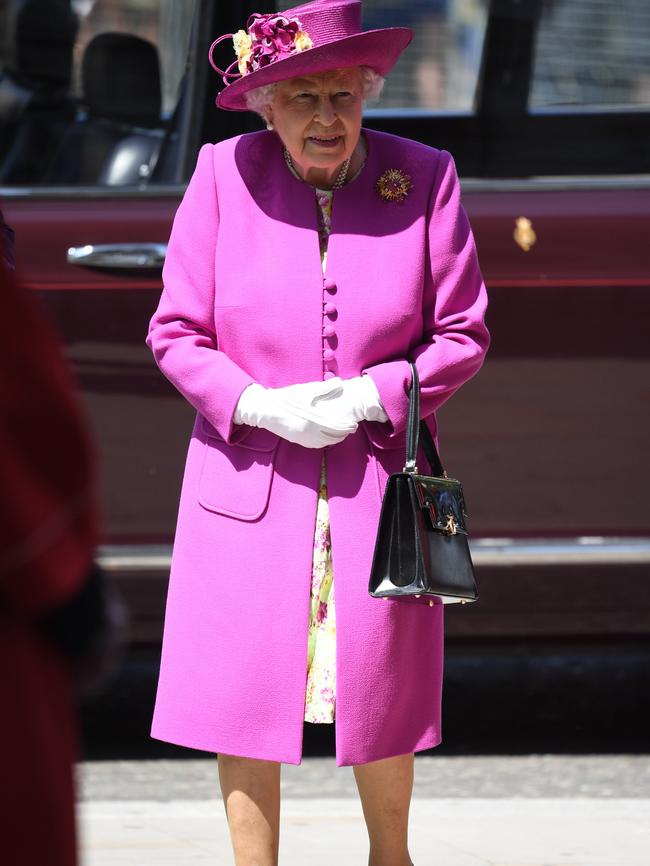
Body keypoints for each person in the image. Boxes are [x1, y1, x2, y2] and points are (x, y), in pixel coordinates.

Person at [146, 2, 490, 864]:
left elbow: (463, 334)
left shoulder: (426, 177)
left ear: (369, 92)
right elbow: (176, 332)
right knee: (243, 689)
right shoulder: (223, 174)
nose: (326, 117)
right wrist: (259, 405)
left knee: (380, 688)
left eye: (343, 94)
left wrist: (374, 395)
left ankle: (391, 858)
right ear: (268, 106)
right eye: (302, 98)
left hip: (378, 482)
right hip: (248, 480)